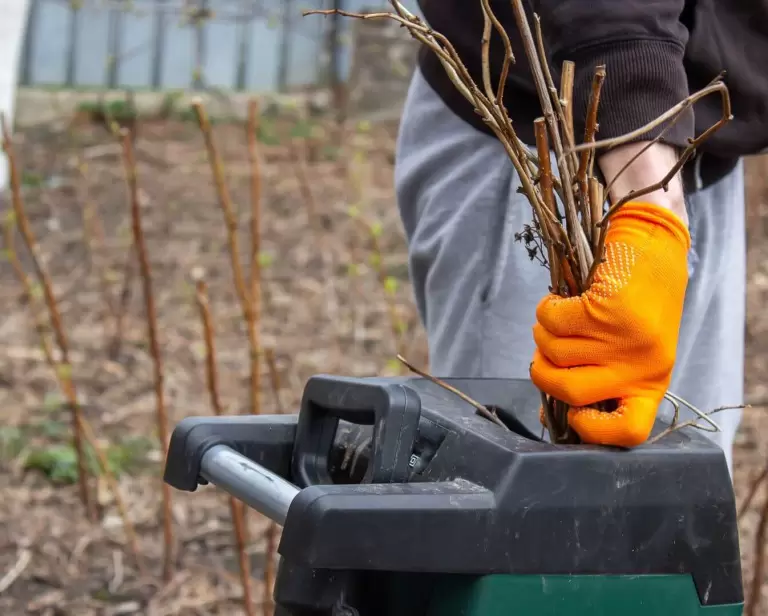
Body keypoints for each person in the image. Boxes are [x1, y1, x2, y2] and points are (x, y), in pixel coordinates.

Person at [394, 0, 768, 473]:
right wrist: (650, 211)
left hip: (706, 147)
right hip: (543, 145)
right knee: (516, 498)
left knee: (681, 496)